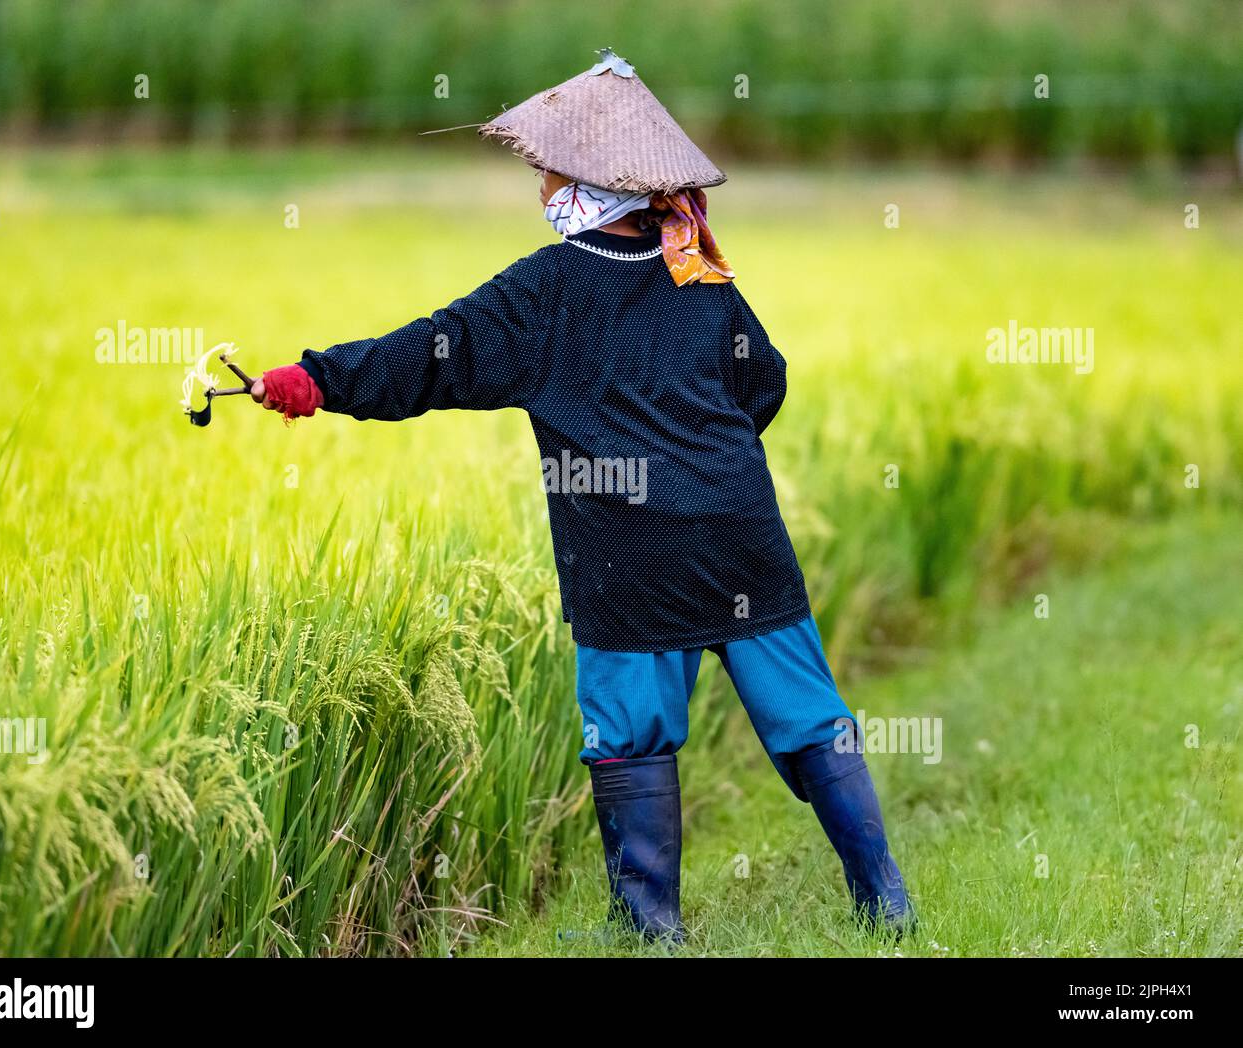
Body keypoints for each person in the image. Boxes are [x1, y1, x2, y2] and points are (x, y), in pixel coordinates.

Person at [252, 50, 912, 944]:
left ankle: (653, 934)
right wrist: (700, 457)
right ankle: (886, 903)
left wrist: (315, 380)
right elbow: (767, 386)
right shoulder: (702, 278)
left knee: (632, 738)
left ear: (593, 180)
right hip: (741, 535)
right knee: (809, 720)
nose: (540, 190)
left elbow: (427, 354)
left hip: (626, 559)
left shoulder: (543, 293)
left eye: (550, 172)